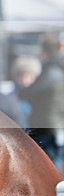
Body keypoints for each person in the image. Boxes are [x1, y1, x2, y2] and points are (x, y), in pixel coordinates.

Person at [17, 34, 64, 172]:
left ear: (45, 51)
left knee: (50, 167)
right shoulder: (58, 69)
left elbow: (29, 92)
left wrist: (23, 90)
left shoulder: (52, 72)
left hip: (49, 127)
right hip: (56, 126)